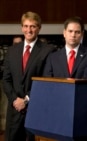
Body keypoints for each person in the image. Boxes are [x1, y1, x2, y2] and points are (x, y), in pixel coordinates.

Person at [2, 11, 56, 141]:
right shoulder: (12, 51)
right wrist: (15, 100)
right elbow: (6, 80)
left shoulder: (48, 50)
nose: (29, 30)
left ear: (39, 28)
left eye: (33, 26)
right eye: (26, 26)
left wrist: (26, 100)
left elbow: (46, 81)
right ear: (22, 28)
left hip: (35, 112)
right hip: (14, 113)